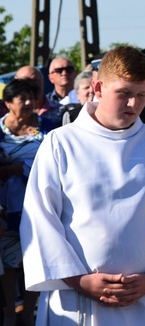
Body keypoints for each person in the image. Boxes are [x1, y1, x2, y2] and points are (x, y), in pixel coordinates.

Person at [20, 46, 145, 325]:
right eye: (124, 93)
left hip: (144, 297)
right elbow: (40, 218)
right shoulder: (61, 144)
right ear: (98, 87)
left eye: (141, 95)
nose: (133, 104)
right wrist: (80, 281)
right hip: (76, 298)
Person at [0, 79, 54, 325]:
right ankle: (9, 312)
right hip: (6, 210)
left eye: (32, 97)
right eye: (22, 98)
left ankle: (29, 313)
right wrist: (13, 169)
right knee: (10, 261)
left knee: (36, 258)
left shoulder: (47, 128)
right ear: (8, 104)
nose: (30, 102)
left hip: (42, 205)